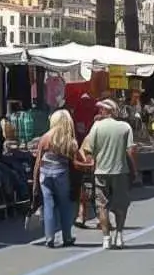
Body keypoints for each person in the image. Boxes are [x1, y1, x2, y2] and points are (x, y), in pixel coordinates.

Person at [84, 99, 138, 250]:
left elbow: (89, 150)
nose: (99, 112)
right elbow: (131, 150)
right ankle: (119, 235)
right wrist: (135, 169)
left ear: (106, 111)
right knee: (121, 205)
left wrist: (92, 164)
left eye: (101, 109)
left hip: (101, 171)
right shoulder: (125, 127)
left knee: (102, 205)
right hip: (120, 171)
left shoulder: (96, 127)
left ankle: (106, 238)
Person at [32, 110, 86, 248]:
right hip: (61, 173)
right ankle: (66, 236)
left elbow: (38, 161)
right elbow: (77, 160)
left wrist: (35, 181)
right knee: (65, 204)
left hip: (45, 173)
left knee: (48, 205)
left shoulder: (45, 138)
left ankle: (49, 237)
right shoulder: (70, 141)